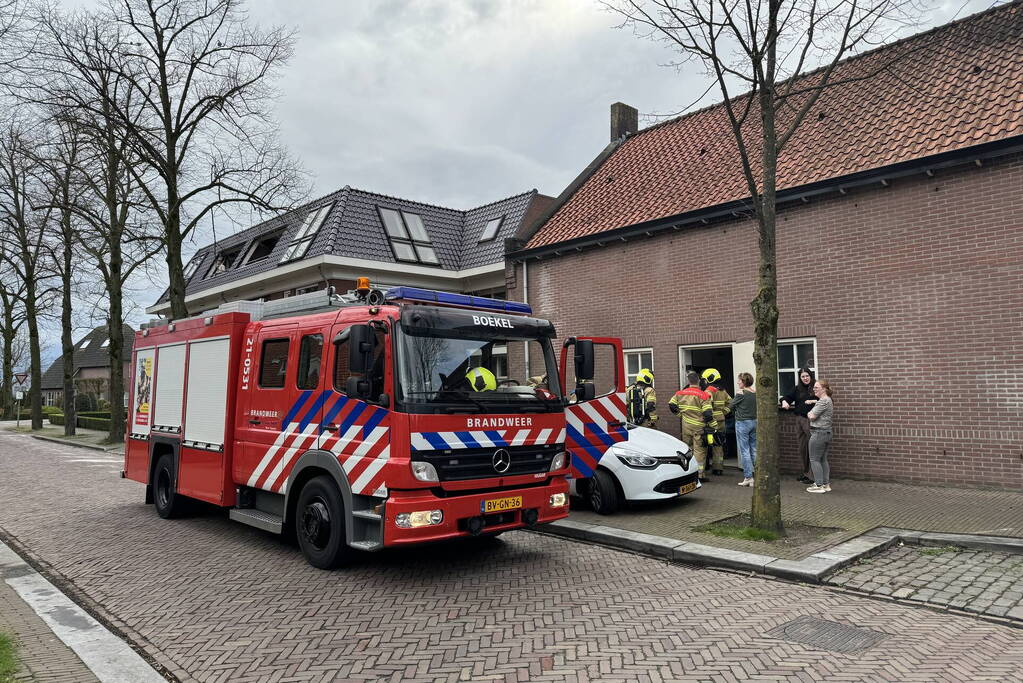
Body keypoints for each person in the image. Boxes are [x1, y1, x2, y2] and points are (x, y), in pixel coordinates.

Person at [669, 371, 714, 480]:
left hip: (686, 426)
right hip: (699, 427)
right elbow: (708, 414)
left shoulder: (680, 393)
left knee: (687, 450)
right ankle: (699, 475)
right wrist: (713, 425)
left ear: (688, 381)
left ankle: (688, 473)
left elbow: (671, 405)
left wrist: (680, 415)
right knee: (699, 451)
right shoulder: (703, 394)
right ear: (698, 381)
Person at [780, 366, 817, 484]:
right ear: (800, 378)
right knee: (803, 448)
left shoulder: (816, 388)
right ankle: (806, 473)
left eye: (807, 376)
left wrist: (813, 402)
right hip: (799, 420)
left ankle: (813, 476)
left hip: (811, 421)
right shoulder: (797, 389)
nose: (805, 378)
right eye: (803, 376)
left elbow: (825, 400)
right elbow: (787, 397)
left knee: (812, 448)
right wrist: (784, 401)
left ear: (811, 376)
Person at [701, 368, 731, 475]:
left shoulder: (709, 390)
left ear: (709, 378)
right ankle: (718, 468)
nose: (704, 381)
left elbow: (707, 406)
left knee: (705, 444)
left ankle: (703, 469)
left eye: (705, 379)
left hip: (711, 421)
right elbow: (730, 403)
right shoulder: (723, 390)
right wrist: (724, 412)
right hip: (721, 421)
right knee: (718, 444)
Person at [806, 380, 834, 494]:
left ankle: (818, 485)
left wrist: (809, 413)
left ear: (824, 389)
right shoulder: (828, 400)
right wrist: (814, 402)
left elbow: (812, 416)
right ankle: (826, 484)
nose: (814, 389)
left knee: (814, 459)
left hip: (818, 433)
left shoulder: (823, 401)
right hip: (826, 433)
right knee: (822, 459)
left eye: (816, 387)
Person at [730, 372, 757, 486]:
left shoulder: (741, 393)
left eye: (739, 380)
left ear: (744, 382)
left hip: (742, 423)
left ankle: (748, 477)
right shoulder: (755, 393)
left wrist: (737, 397)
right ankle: (757, 475)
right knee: (754, 449)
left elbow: (731, 405)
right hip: (754, 422)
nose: (737, 382)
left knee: (744, 451)